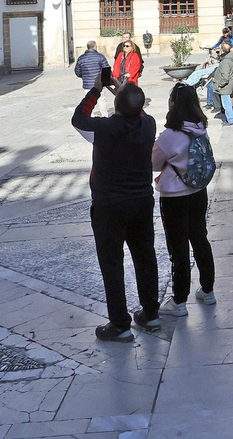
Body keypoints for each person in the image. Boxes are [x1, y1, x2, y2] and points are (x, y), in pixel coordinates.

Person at [72, 83, 161, 342]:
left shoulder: (103, 128)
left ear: (116, 106)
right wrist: (122, 91)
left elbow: (78, 119)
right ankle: (151, 313)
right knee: (145, 257)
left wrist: (97, 90)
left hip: (108, 206)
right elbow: (138, 110)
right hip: (142, 202)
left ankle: (120, 324)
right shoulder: (150, 125)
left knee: (112, 264)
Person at [152, 84, 217, 317]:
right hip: (198, 192)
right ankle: (208, 291)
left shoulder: (170, 136)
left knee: (178, 247)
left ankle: (179, 301)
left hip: (174, 197)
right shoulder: (201, 127)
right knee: (200, 239)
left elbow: (153, 163)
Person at [205, 43, 233, 125]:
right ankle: (229, 119)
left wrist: (220, 85)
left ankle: (230, 120)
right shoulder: (228, 59)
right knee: (227, 102)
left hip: (225, 86)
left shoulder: (226, 61)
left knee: (226, 103)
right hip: (227, 85)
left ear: (222, 50)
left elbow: (225, 76)